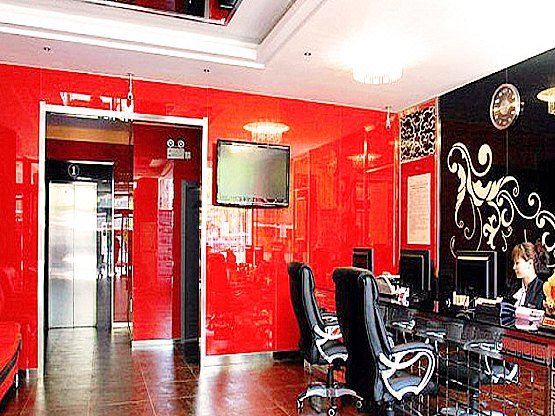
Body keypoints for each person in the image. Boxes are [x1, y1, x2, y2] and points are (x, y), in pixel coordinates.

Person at [511, 242, 548, 309]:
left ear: (530, 263)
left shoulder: (543, 290)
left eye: (517, 263)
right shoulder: (514, 288)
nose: (514, 267)